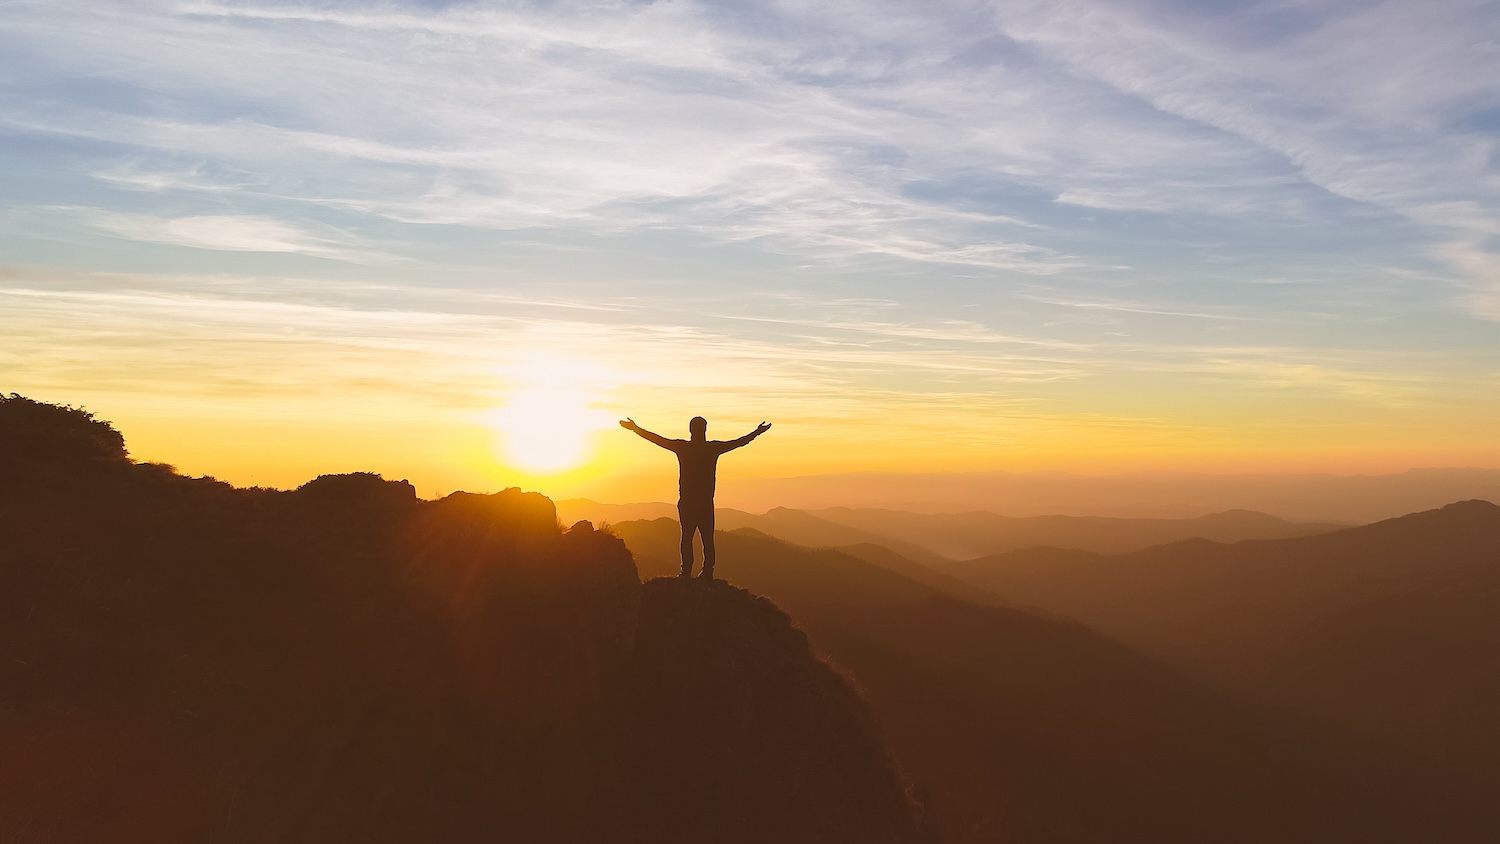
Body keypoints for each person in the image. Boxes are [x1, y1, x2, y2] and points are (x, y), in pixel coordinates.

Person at [619, 416, 771, 580]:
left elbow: (656, 439)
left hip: (687, 503)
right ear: (705, 429)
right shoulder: (712, 448)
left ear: (690, 430)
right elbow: (739, 442)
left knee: (687, 537)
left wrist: (636, 428)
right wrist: (757, 432)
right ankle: (707, 572)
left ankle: (686, 572)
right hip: (705, 503)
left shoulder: (683, 447)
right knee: (707, 539)